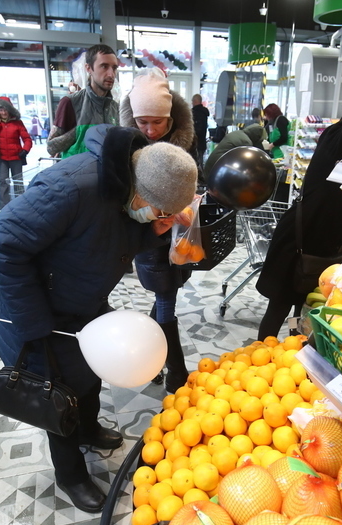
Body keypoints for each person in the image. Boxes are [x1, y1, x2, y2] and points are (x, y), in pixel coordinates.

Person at [0, 124, 198, 513]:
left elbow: (114, 239)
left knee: (89, 372)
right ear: (139, 189)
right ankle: (71, 474)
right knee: (58, 389)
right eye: (158, 209)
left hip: (83, 300)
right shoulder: (72, 188)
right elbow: (4, 243)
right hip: (42, 309)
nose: (159, 215)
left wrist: (155, 230)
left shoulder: (123, 192)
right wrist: (35, 323)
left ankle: (88, 428)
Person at [256, 93, 342, 340]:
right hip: (299, 240)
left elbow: (337, 190)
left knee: (304, 309)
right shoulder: (337, 135)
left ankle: (292, 355)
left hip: (318, 240)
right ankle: (262, 356)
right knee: (279, 308)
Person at [120, 70, 198, 393]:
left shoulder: (186, 143)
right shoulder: (125, 148)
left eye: (157, 122)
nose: (150, 131)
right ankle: (177, 374)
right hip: (149, 238)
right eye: (142, 122)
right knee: (166, 303)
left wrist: (189, 203)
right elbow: (126, 201)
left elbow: (194, 182)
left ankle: (150, 360)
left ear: (170, 118)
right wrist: (156, 212)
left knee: (166, 298)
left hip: (180, 237)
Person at [47, 44, 119, 158]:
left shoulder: (115, 107)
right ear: (89, 68)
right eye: (104, 66)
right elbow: (51, 147)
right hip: (76, 173)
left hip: (107, 173)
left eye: (114, 68)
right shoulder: (70, 103)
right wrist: (80, 131)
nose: (111, 74)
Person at [0, 96, 32, 209]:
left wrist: (25, 150)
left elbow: (27, 139)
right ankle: (4, 207)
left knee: (18, 182)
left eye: (5, 109)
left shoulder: (17, 122)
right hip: (1, 157)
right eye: (1, 110)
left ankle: (21, 205)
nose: (3, 112)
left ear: (10, 109)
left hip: (16, 157)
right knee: (3, 182)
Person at [191, 93, 210, 166]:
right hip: (202, 142)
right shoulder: (204, 112)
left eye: (192, 101)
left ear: (195, 101)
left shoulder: (194, 113)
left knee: (196, 163)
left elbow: (197, 129)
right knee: (200, 162)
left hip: (195, 143)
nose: (192, 103)